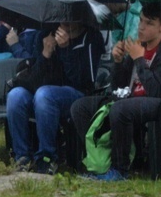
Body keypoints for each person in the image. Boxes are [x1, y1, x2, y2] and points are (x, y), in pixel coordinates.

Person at [71, 2, 161, 181]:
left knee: (120, 109)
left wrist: (139, 60)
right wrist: (118, 62)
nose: (141, 27)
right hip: (133, 99)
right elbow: (118, 86)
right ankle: (99, 159)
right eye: (141, 20)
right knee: (80, 107)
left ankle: (120, 169)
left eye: (149, 23)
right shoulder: (139, 45)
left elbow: (156, 91)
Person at [6, 20, 104, 174]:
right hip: (43, 91)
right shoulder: (45, 34)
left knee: (44, 95)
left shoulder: (92, 37)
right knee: (16, 95)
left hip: (77, 94)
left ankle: (47, 158)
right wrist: (45, 54)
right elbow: (34, 79)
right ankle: (22, 157)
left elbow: (84, 80)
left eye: (70, 17)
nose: (65, 21)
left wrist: (66, 50)